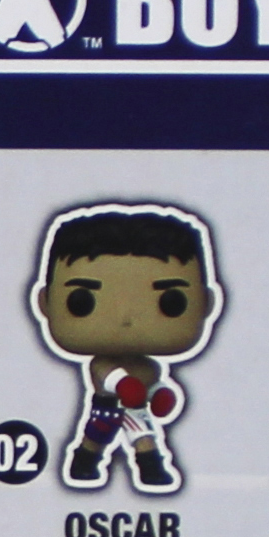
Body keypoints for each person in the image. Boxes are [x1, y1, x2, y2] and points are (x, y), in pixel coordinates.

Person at [31, 205, 222, 492]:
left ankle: (150, 469)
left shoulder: (149, 367)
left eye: (171, 302)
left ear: (206, 304)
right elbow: (106, 376)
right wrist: (124, 384)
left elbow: (152, 384)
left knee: (143, 437)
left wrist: (160, 394)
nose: (126, 319)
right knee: (94, 440)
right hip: (106, 410)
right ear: (45, 303)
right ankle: (83, 462)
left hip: (136, 410)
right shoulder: (101, 364)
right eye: (82, 301)